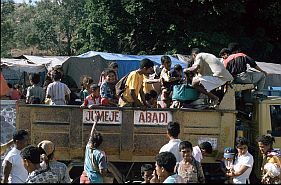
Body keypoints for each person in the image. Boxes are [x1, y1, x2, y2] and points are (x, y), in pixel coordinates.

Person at [83, 118, 108, 183]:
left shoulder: (88, 148)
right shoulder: (100, 154)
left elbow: (91, 134)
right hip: (95, 180)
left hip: (85, 179)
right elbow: (102, 171)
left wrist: (95, 122)